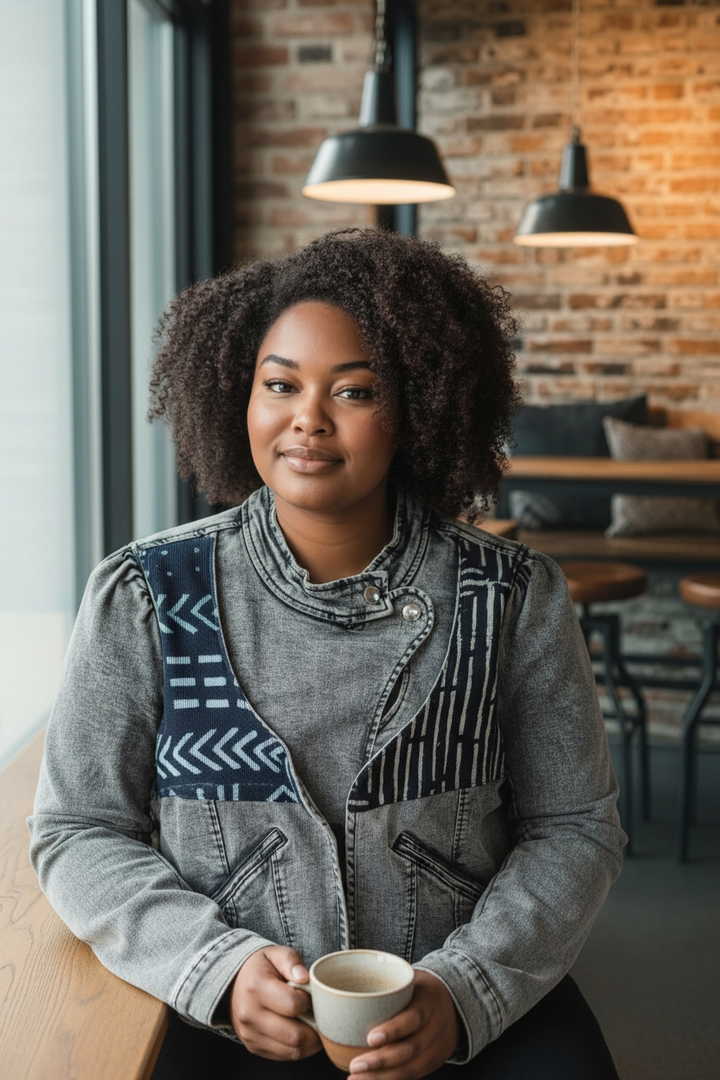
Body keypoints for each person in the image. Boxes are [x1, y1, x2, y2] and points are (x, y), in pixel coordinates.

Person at [29, 228, 624, 1080]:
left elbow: (574, 827)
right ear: (239, 397)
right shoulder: (144, 595)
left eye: (355, 391)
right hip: (225, 1017)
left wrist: (462, 990)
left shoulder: (514, 596)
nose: (307, 417)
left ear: (417, 409)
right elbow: (78, 829)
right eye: (280, 385)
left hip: (460, 1009)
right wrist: (216, 968)